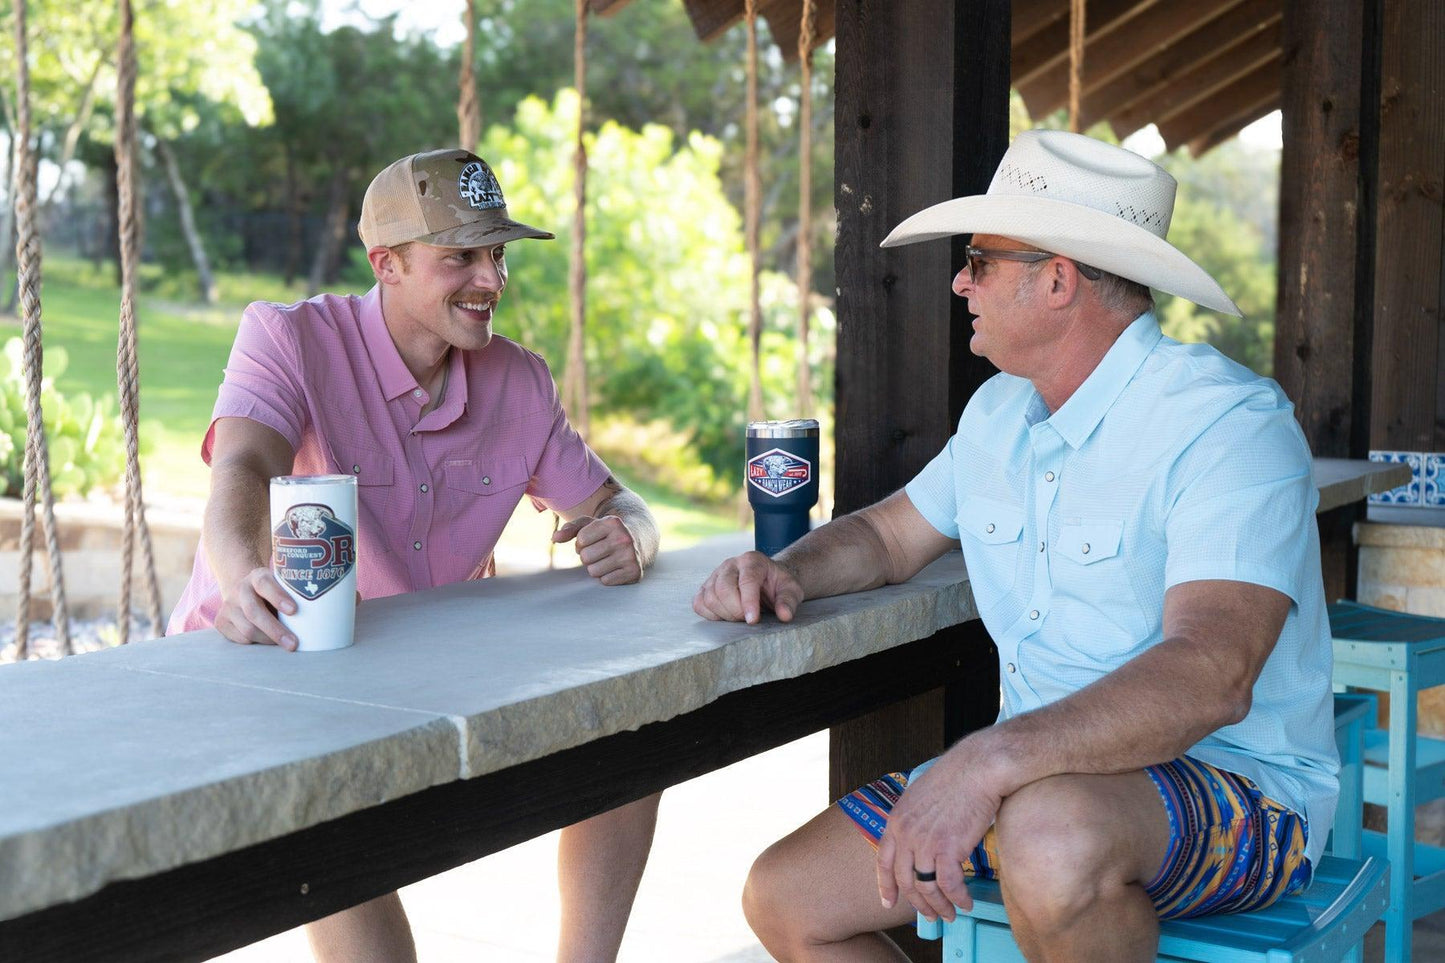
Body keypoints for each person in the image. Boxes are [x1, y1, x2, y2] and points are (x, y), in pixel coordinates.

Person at [694, 130, 1337, 962]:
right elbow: (887, 535)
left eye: (981, 261)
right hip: (1029, 775)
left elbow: (1211, 672)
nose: (960, 281)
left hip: (1240, 789)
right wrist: (784, 571)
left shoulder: (1226, 424)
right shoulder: (1000, 412)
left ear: (1058, 279)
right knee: (785, 896)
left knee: (1050, 838)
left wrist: (985, 762)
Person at [167, 148, 662, 963]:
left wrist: (630, 534)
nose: (491, 278)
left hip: (420, 681)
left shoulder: (520, 382)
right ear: (387, 264)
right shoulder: (287, 336)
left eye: (497, 253)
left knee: (634, 738)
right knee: (331, 827)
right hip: (271, 667)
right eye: (460, 256)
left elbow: (620, 503)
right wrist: (239, 578)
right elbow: (244, 466)